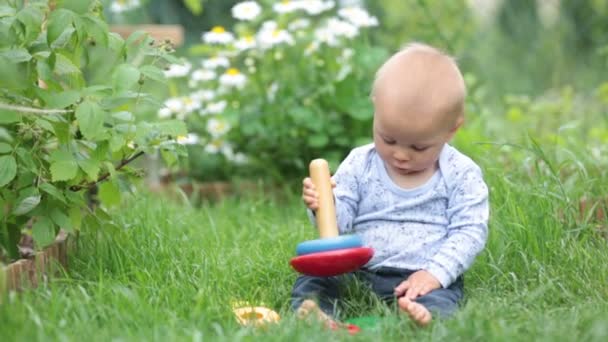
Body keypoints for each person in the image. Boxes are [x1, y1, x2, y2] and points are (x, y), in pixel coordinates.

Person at [292, 42, 489, 327]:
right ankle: (318, 313)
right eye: (389, 139)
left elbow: (469, 231)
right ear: (375, 107)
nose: (400, 154)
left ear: (451, 130)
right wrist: (325, 205)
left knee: (441, 298)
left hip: (421, 275)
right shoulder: (360, 163)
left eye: (418, 147)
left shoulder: (461, 174)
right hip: (358, 268)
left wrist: (435, 273)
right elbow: (338, 228)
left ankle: (422, 315)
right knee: (316, 276)